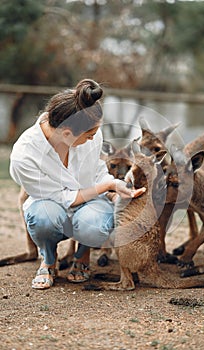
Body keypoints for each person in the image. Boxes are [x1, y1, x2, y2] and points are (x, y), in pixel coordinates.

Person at [9, 78, 145, 290]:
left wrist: (115, 187)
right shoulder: (24, 156)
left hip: (89, 203)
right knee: (43, 218)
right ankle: (49, 259)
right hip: (50, 206)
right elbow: (60, 198)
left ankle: (83, 255)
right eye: (89, 135)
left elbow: (97, 173)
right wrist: (104, 188)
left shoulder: (90, 132)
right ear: (66, 134)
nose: (93, 139)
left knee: (96, 225)